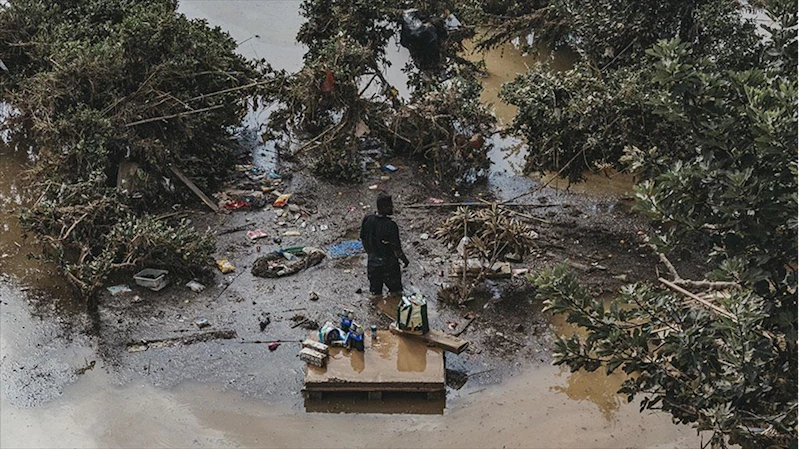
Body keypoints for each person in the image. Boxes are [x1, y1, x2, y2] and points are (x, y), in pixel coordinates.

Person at [360, 192, 409, 295]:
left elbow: (363, 239)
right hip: (389, 266)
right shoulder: (391, 226)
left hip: (373, 265)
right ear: (383, 207)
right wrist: (405, 260)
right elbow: (397, 250)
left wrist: (371, 254)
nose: (392, 208)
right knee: (396, 293)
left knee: (375, 294)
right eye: (389, 206)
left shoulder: (368, 219)